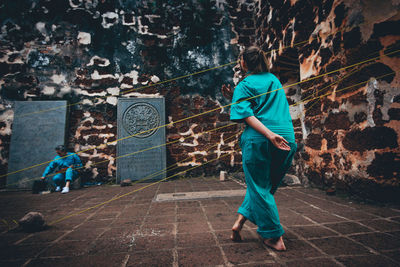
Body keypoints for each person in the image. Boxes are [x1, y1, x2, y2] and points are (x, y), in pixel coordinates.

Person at [221, 46, 297, 251]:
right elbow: (263, 106)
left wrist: (269, 135)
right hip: (287, 140)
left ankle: (273, 236)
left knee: (258, 187)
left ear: (244, 62)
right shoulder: (273, 80)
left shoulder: (244, 84)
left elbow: (247, 114)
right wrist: (234, 98)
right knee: (263, 186)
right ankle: (238, 224)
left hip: (262, 140)